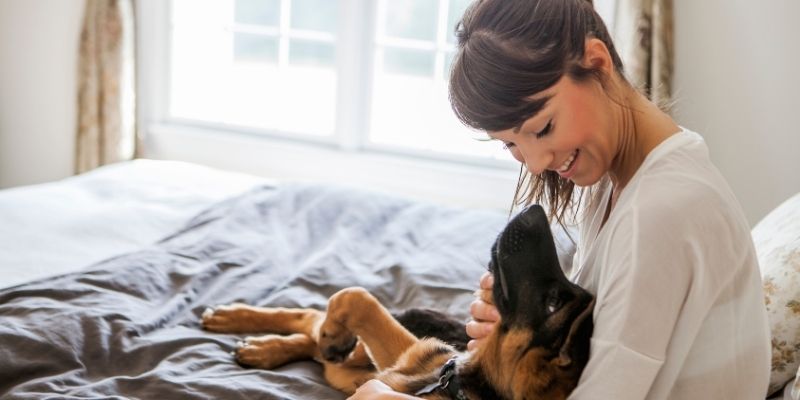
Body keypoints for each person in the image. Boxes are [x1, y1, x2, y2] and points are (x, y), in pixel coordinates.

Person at [348, 0, 771, 398]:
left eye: (543, 126)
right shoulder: (619, 179)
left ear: (597, 62)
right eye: (510, 145)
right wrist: (514, 331)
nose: (534, 163)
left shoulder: (662, 210)